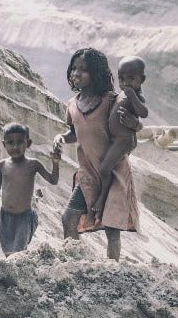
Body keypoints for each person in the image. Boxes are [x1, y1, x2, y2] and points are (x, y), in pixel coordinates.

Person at [55, 48, 142, 261]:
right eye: (74, 68)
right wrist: (61, 138)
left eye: (84, 70)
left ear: (97, 73)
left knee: (112, 228)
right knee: (69, 218)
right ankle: (73, 263)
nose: (77, 73)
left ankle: (112, 269)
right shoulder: (72, 104)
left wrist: (136, 124)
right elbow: (75, 132)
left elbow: (130, 133)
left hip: (114, 172)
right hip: (88, 174)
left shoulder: (111, 101)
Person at [0, 123, 61, 256]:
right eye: (10, 143)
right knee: (8, 253)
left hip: (23, 218)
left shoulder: (33, 164)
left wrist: (55, 163)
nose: (15, 147)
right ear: (4, 144)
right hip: (5, 218)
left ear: (28, 143)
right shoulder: (2, 165)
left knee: (18, 254)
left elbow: (53, 180)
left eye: (20, 142)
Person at [89, 57, 148, 227]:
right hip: (116, 139)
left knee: (105, 168)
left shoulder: (136, 95)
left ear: (141, 80)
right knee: (103, 167)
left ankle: (102, 199)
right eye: (122, 79)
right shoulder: (120, 94)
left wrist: (132, 96)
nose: (125, 83)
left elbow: (143, 113)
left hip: (124, 140)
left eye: (131, 79)